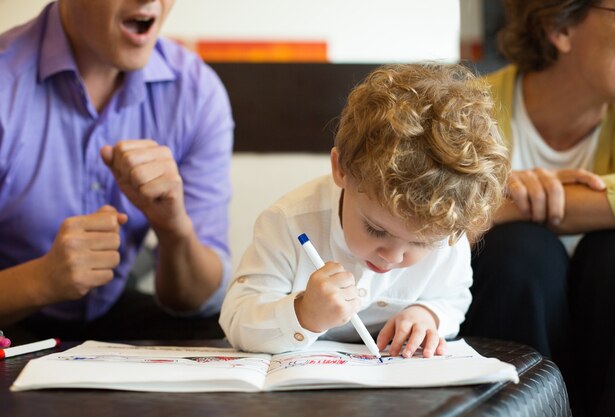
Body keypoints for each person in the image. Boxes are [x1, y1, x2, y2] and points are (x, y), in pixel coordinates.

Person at [219, 63, 509, 357]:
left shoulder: (447, 227)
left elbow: (454, 298)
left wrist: (428, 315)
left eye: (420, 243)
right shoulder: (288, 224)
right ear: (341, 169)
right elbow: (237, 318)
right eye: (376, 229)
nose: (393, 256)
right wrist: (305, 313)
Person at [0, 0, 234, 342]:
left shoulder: (197, 93)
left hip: (114, 312)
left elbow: (197, 299)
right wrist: (43, 280)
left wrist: (174, 228)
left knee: (220, 331)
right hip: (13, 319)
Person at [459, 1, 615, 416]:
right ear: (559, 26)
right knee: (520, 250)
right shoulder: (462, 110)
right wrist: (491, 211)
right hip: (502, 307)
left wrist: (513, 203)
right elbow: (410, 225)